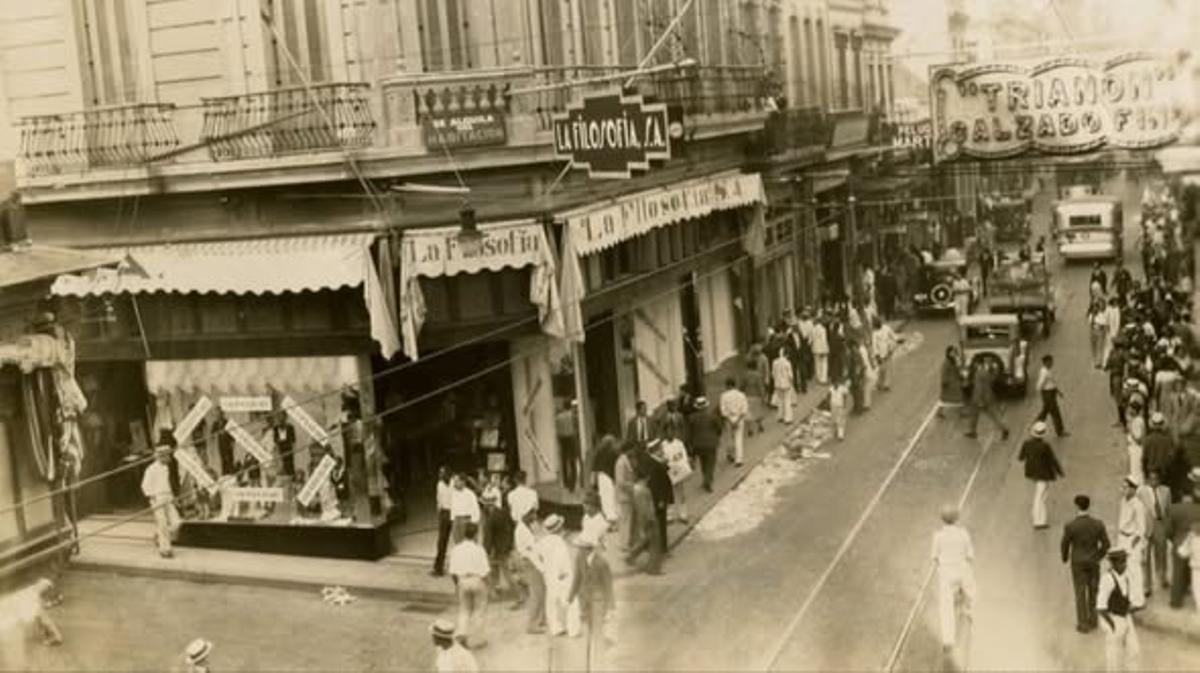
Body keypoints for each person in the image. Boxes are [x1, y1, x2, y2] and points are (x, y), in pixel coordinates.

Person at [1062, 494, 1111, 632]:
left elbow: (1065, 544)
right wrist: (1097, 556)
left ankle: (1082, 623)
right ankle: (1093, 620)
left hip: (1077, 563)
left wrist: (1065, 557)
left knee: (1080, 592)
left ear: (1077, 506)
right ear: (1088, 506)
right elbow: (1106, 544)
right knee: (1093, 590)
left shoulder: (1071, 526)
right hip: (1093, 562)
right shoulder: (1098, 524)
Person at [931, 505, 975, 652]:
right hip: (962, 569)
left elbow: (935, 557)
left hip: (946, 572)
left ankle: (948, 640)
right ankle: (969, 611)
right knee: (971, 591)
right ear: (957, 518)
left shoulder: (938, 536)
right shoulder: (963, 534)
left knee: (946, 606)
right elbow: (970, 555)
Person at [569, 535, 616, 649]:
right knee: (589, 624)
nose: (579, 550)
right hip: (584, 597)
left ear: (589, 549)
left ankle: (599, 648)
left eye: (581, 548)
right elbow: (577, 577)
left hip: (598, 599)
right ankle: (596, 642)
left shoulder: (602, 563)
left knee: (598, 624)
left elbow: (608, 585)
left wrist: (611, 606)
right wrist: (570, 597)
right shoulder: (579, 558)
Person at [448, 521, 490, 649]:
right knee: (479, 611)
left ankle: (462, 635)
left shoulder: (456, 549)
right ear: (476, 534)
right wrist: (488, 585)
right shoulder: (479, 550)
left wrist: (457, 585)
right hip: (477, 580)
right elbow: (485, 571)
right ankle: (478, 640)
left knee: (464, 610)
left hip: (462, 581)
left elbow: (452, 571)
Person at [1097, 549, 1139, 672]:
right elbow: (1101, 607)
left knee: (1134, 650)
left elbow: (1125, 597)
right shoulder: (1107, 579)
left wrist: (1131, 608)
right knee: (1113, 656)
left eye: (1125, 561)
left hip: (1125, 616)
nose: (1124, 564)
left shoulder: (1125, 576)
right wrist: (1112, 626)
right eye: (1121, 562)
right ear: (1113, 563)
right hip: (1112, 617)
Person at [537, 514, 578, 637]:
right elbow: (562, 559)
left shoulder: (542, 542)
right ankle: (573, 629)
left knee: (551, 601)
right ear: (560, 528)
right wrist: (564, 571)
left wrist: (544, 569)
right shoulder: (559, 542)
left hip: (549, 575)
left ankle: (555, 627)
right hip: (562, 575)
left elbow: (538, 556)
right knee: (570, 601)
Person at [1018, 421, 1065, 529]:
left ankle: (1039, 518)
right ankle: (1039, 521)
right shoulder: (1045, 446)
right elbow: (1052, 460)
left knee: (1041, 494)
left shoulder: (1026, 443)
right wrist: (1060, 472)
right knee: (1040, 496)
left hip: (1031, 473)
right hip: (1043, 473)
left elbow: (1021, 458)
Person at [1165, 469, 1200, 608]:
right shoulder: (1199, 509)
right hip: (1196, 543)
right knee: (1195, 572)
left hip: (1178, 542)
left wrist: (1173, 539)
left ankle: (1176, 602)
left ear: (1181, 495)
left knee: (1177, 573)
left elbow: (1167, 530)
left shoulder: (1173, 508)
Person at [141, 445, 180, 559]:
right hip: (157, 498)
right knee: (162, 523)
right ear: (161, 457)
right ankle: (165, 549)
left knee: (177, 522)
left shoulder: (166, 468)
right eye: (167, 456)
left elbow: (166, 484)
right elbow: (145, 485)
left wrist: (173, 497)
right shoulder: (151, 469)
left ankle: (159, 535)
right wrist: (152, 497)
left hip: (167, 497)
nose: (169, 458)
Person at [512, 510, 546, 633]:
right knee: (536, 593)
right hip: (530, 562)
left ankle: (541, 619)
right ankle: (532, 624)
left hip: (534, 561)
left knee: (541, 591)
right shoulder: (521, 530)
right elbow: (528, 549)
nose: (535, 517)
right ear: (525, 515)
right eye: (532, 514)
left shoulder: (527, 527)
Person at [1116, 478, 1147, 610]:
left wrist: (1133, 544)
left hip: (1132, 540)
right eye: (1123, 487)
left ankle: (1138, 601)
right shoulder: (1124, 501)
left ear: (1134, 489)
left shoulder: (1138, 505)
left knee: (1134, 570)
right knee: (1124, 570)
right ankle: (1128, 598)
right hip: (1122, 538)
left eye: (1126, 488)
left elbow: (1141, 529)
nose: (1123, 490)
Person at [625, 469, 663, 575]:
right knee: (655, 544)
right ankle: (653, 568)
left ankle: (632, 556)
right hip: (649, 519)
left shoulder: (635, 489)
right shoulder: (643, 491)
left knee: (645, 541)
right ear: (646, 478)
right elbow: (644, 509)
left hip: (643, 519)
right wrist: (649, 520)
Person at [1140, 470, 1172, 594]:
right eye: (1151, 479)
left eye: (1156, 479)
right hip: (1146, 526)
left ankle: (1162, 578)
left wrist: (1168, 527)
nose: (1154, 481)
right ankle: (1147, 586)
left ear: (1159, 480)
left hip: (1160, 525)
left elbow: (1169, 511)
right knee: (1145, 557)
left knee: (1162, 554)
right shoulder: (1141, 491)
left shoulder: (1166, 491)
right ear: (1148, 480)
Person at [966, 360, 1010, 440]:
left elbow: (980, 388)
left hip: (980, 399)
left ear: (979, 364)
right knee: (986, 415)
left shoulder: (979, 374)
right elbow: (992, 380)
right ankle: (972, 430)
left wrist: (980, 400)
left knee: (980, 415)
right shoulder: (988, 373)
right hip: (989, 397)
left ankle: (1004, 429)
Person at [690, 394, 724, 490]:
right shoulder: (712, 417)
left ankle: (705, 478)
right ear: (706, 406)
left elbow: (690, 432)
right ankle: (708, 480)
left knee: (703, 462)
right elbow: (719, 428)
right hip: (711, 443)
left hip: (698, 444)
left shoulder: (692, 418)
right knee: (711, 463)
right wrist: (717, 436)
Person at [719, 378, 749, 467]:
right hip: (739, 418)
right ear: (734, 385)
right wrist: (738, 420)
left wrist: (730, 420)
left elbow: (723, 411)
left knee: (729, 438)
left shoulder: (723, 396)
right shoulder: (741, 395)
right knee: (738, 438)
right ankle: (739, 459)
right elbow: (744, 410)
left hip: (728, 418)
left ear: (727, 385)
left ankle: (730, 454)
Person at [1035, 355, 1068, 437]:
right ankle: (1060, 431)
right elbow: (1040, 384)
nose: (1052, 363)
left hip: (1050, 393)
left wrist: (1057, 391)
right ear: (1046, 362)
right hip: (1048, 394)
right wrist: (1042, 391)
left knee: (1045, 412)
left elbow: (1051, 383)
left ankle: (1036, 426)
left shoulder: (1047, 371)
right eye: (1050, 361)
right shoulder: (1044, 372)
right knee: (1055, 413)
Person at [589, 436, 620, 524]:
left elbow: (594, 467)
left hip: (601, 476)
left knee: (604, 497)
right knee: (611, 496)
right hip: (610, 477)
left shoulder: (598, 452)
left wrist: (592, 481)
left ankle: (608, 516)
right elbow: (615, 466)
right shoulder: (614, 452)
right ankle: (613, 517)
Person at [614, 441, 637, 551]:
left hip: (627, 495)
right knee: (625, 520)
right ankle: (624, 544)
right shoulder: (621, 463)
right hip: (624, 496)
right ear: (628, 450)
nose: (633, 451)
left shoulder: (625, 461)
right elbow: (620, 481)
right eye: (632, 449)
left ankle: (627, 542)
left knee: (627, 519)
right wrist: (632, 486)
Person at [1173, 520, 1200, 613]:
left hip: (1196, 568)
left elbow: (1183, 552)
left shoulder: (1192, 539)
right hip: (1196, 567)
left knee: (1197, 588)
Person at [431, 467, 453, 577]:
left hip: (452, 513)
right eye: (440, 472)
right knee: (441, 541)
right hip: (444, 513)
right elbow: (438, 500)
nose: (440, 475)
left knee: (457, 541)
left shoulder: (453, 483)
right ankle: (438, 567)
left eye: (442, 473)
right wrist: (439, 513)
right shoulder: (439, 484)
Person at [556, 400, 581, 492]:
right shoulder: (572, 416)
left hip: (563, 439)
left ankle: (566, 482)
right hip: (571, 438)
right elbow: (576, 427)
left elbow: (557, 431)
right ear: (569, 407)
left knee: (564, 461)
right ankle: (572, 485)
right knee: (572, 461)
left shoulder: (558, 417)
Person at [450, 473, 480, 544]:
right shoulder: (453, 493)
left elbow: (476, 510)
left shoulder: (470, 494)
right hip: (456, 521)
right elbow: (453, 508)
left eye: (457, 481)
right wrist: (453, 521)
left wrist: (473, 523)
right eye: (454, 481)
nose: (454, 483)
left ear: (463, 482)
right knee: (458, 544)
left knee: (469, 544)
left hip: (467, 521)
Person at [872, 318, 898, 392]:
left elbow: (893, 335)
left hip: (888, 350)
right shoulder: (874, 333)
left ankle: (887, 385)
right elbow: (874, 345)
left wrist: (896, 340)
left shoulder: (886, 328)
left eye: (878, 323)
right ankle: (879, 384)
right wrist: (877, 355)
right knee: (882, 370)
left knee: (889, 368)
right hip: (880, 354)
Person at [938, 346, 965, 418]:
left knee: (956, 397)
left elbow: (957, 370)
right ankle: (940, 412)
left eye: (954, 352)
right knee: (946, 399)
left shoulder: (953, 361)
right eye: (952, 352)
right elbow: (944, 373)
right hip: (950, 383)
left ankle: (961, 412)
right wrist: (944, 382)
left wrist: (960, 376)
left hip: (954, 382)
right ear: (948, 353)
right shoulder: (946, 363)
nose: (953, 354)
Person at [772, 348, 796, 424]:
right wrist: (792, 383)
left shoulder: (775, 362)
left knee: (780, 401)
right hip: (786, 384)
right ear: (786, 354)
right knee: (787, 401)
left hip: (777, 384)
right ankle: (788, 418)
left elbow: (773, 373)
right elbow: (790, 375)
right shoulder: (787, 363)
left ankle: (780, 416)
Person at [1088, 297, 1109, 369]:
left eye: (1096, 308)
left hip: (1100, 332)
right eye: (1093, 308)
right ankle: (1094, 361)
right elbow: (1090, 323)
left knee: (1099, 347)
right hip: (1093, 331)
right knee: (1093, 347)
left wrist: (1103, 331)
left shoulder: (1101, 315)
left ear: (1098, 308)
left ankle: (1099, 362)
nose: (1094, 309)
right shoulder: (1091, 315)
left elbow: (1104, 323)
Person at [812, 317, 830, 385]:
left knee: (817, 363)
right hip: (822, 348)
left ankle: (818, 377)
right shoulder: (823, 329)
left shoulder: (813, 329)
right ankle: (823, 379)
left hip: (815, 348)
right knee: (824, 364)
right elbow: (823, 340)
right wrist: (824, 349)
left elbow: (812, 339)